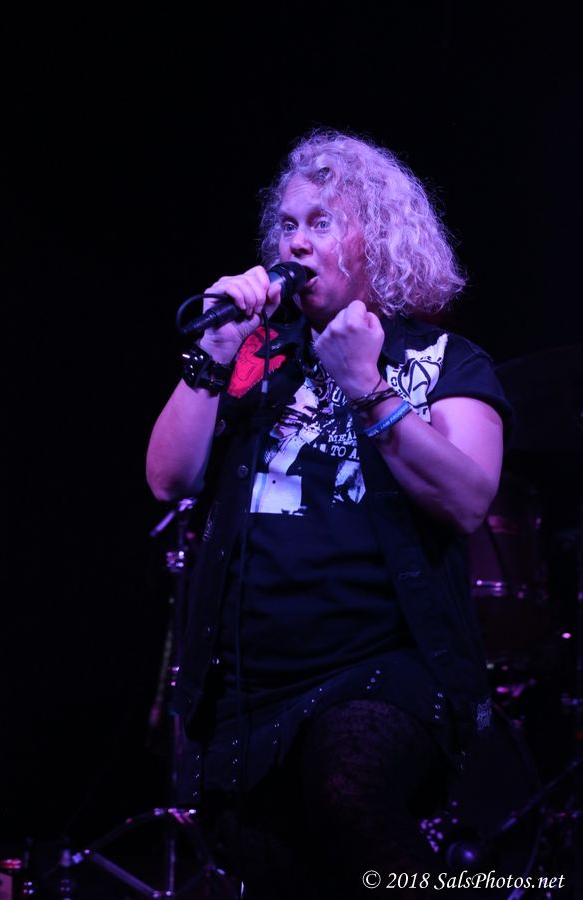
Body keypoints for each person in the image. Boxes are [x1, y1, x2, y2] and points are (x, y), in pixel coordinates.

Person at [146, 130, 511, 899]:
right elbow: (168, 479)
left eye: (321, 222)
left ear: (377, 239)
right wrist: (214, 349)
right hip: (250, 686)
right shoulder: (256, 360)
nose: (296, 242)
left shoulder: (445, 360)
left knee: (348, 788)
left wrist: (367, 387)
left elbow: (469, 498)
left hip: (382, 667)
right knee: (276, 863)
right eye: (287, 224)